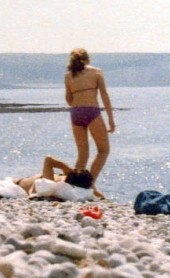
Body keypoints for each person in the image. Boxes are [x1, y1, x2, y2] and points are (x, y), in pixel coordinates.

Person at [65, 48, 115, 182]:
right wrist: (111, 120)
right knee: (103, 151)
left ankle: (74, 186)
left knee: (82, 154)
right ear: (88, 59)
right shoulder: (97, 72)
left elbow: (69, 100)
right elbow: (104, 96)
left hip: (76, 113)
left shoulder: (68, 75)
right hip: (92, 111)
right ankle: (90, 184)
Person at [14, 155, 104, 199]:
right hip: (18, 182)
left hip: (18, 183)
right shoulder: (64, 182)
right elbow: (97, 194)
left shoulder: (51, 184)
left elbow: (48, 159)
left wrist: (67, 169)